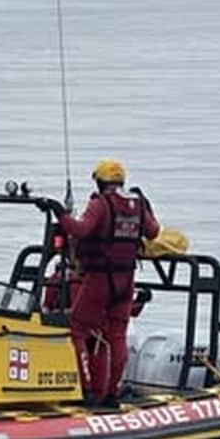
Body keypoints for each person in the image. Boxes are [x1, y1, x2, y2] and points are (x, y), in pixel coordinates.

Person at [45, 159, 159, 407]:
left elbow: (81, 229)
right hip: (126, 280)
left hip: (99, 279)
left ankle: (86, 389)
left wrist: (60, 213)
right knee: (117, 336)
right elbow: (153, 232)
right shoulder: (138, 205)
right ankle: (112, 394)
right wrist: (147, 206)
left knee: (77, 329)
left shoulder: (101, 204)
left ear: (99, 182)